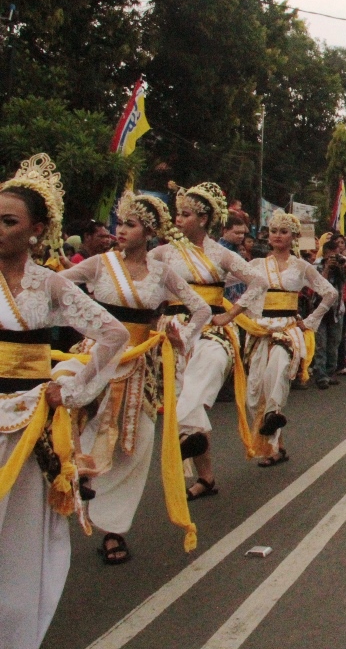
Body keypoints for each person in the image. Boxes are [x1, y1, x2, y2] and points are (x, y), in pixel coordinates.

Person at [0, 154, 129, 647]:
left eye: (9, 221)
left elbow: (112, 335)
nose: (0, 229)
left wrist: (70, 388)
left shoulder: (50, 284)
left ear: (36, 231)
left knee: (20, 537)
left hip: (27, 423)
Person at [59, 191, 211, 564]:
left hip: (139, 365)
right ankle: (73, 480)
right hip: (94, 356)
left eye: (130, 224)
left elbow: (201, 309)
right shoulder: (99, 264)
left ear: (150, 231)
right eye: (120, 223)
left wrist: (181, 335)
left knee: (136, 445)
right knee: (65, 409)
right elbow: (55, 287)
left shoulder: (162, 272)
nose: (120, 230)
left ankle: (114, 530)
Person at [150, 181, 268, 500]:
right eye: (177, 214)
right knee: (185, 402)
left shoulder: (219, 254)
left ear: (202, 219)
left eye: (185, 214)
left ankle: (184, 447)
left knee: (196, 390)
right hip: (172, 333)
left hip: (213, 333)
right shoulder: (162, 253)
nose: (177, 220)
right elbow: (141, 284)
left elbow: (259, 280)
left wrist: (230, 315)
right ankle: (207, 476)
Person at [243, 211, 337, 467]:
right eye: (273, 231)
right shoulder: (255, 265)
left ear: (293, 236)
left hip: (287, 328)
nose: (277, 236)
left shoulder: (301, 266)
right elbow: (224, 281)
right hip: (260, 329)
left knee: (278, 368)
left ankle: (273, 426)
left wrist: (309, 322)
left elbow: (329, 293)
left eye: (283, 232)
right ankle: (277, 442)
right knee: (255, 391)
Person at [309, 239, 346, 390]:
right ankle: (321, 376)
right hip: (320, 309)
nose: (334, 258)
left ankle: (331, 372)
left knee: (334, 343)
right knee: (321, 344)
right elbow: (318, 286)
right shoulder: (316, 266)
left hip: (336, 309)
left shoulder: (342, 263)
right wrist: (326, 268)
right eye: (331, 255)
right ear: (325, 254)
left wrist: (344, 266)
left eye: (336, 254)